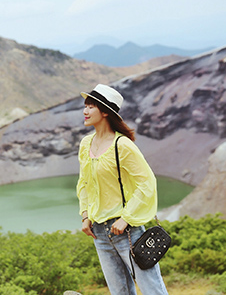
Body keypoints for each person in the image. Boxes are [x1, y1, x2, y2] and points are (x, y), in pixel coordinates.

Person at [76, 84, 169, 295]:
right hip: (99, 232)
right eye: (85, 106)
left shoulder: (122, 145)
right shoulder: (85, 144)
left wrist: (126, 218)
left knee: (152, 288)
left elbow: (147, 183)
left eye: (91, 106)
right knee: (120, 292)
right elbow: (84, 183)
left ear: (105, 111)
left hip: (126, 231)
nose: (85, 111)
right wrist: (85, 215)